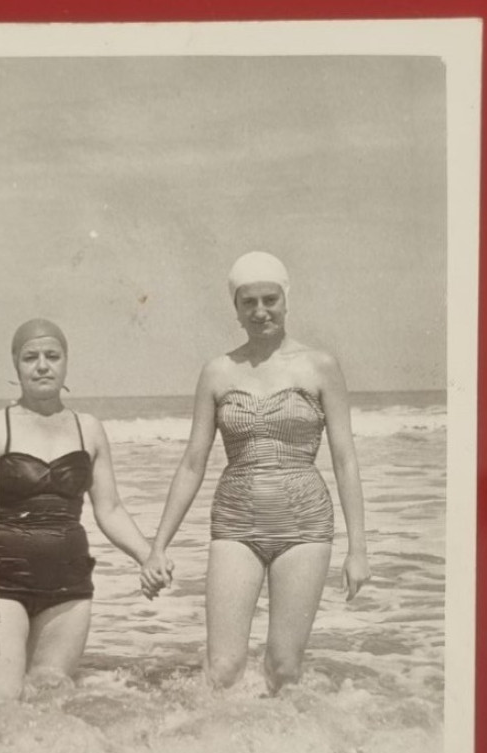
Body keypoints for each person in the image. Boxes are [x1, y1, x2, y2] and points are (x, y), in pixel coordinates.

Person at [142, 252, 370, 693]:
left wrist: (358, 549)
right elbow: (193, 461)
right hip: (235, 525)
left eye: (271, 299)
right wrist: (158, 545)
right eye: (249, 302)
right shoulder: (217, 372)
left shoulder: (320, 366)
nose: (261, 311)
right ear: (236, 308)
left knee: (284, 668)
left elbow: (345, 458)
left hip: (304, 526)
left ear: (287, 300)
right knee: (223, 668)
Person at [0, 318, 166, 697]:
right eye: (30, 357)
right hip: (4, 582)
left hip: (69, 586)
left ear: (66, 362)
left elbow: (110, 509)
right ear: (16, 365)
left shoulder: (87, 428)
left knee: (50, 695)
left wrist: (148, 555)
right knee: (2, 699)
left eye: (52, 356)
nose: (42, 365)